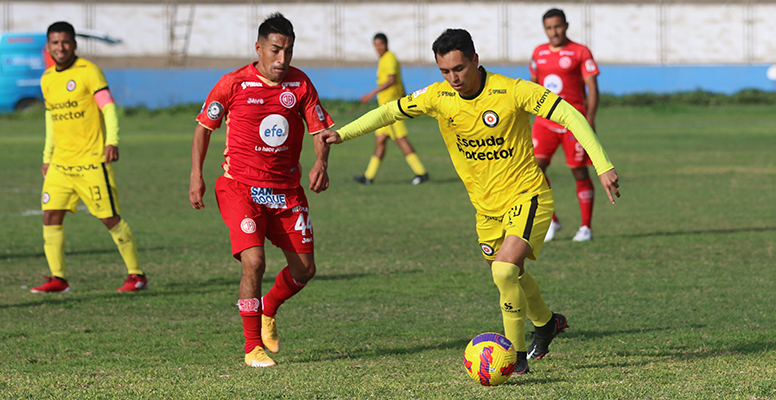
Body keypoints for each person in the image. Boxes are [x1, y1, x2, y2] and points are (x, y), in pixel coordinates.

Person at [319, 29, 620, 375]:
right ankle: (547, 323)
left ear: (476, 60)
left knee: (505, 270)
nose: (453, 78)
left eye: (459, 68)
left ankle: (516, 358)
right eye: (445, 71)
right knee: (511, 273)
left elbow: (568, 113)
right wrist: (342, 133)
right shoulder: (437, 96)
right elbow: (389, 111)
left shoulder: (512, 91)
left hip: (527, 195)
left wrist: (603, 164)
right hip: (485, 208)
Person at [188, 13, 334, 368]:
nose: (282, 60)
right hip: (240, 188)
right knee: (254, 262)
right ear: (259, 49)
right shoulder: (233, 83)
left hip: (286, 192)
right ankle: (252, 347)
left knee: (304, 271)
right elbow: (204, 128)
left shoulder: (300, 85)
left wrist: (321, 163)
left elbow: (319, 130)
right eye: (275, 50)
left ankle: (269, 307)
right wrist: (196, 175)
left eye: (288, 51)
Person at [31, 21, 147, 294]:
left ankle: (136, 275)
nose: (60, 47)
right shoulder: (47, 79)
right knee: (50, 216)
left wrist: (112, 140)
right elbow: (52, 120)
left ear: (74, 44)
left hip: (91, 162)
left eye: (65, 42)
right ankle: (58, 278)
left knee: (110, 219)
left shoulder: (89, 72)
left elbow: (108, 108)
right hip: (60, 164)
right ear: (49, 47)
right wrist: (47, 156)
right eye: (55, 43)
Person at [530, 8, 601, 242]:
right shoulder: (538, 53)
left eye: (558, 26)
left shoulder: (580, 51)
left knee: (579, 171)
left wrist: (589, 120)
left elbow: (592, 87)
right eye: (549, 28)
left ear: (566, 26)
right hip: (544, 122)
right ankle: (552, 220)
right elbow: (532, 88)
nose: (554, 32)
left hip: (573, 122)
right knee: (533, 170)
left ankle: (585, 227)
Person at [354, 33, 429, 185]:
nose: (378, 47)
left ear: (386, 44)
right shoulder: (384, 59)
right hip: (385, 109)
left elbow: (392, 80)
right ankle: (369, 177)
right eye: (375, 45)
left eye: (380, 44)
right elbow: (399, 82)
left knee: (401, 140)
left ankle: (421, 172)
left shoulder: (389, 58)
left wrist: (371, 94)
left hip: (391, 110)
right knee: (380, 141)